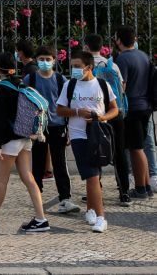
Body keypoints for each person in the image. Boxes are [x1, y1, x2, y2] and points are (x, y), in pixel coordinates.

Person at [0, 52, 49, 232]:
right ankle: (41, 218)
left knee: (1, 180)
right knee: (28, 178)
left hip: (9, 140)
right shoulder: (21, 84)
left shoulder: (1, 88)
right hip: (26, 137)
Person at [56, 49, 121, 233]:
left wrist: (101, 117)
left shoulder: (102, 85)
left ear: (89, 67)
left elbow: (114, 109)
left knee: (94, 175)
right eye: (72, 66)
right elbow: (59, 110)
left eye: (78, 67)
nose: (74, 70)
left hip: (99, 134)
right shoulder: (69, 85)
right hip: (78, 136)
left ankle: (92, 210)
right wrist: (77, 112)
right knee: (91, 175)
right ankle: (101, 217)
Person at [23, 46, 77, 213]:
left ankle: (65, 198)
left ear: (54, 60)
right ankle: (36, 195)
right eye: (41, 59)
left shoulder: (61, 80)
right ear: (36, 60)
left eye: (48, 59)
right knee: (37, 163)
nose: (45, 62)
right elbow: (24, 104)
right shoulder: (29, 79)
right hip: (38, 127)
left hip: (58, 126)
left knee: (59, 163)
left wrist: (68, 128)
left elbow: (68, 104)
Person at [84, 33, 131, 205]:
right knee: (119, 152)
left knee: (95, 151)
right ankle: (124, 192)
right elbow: (122, 86)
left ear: (87, 47)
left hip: (96, 115)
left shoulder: (85, 66)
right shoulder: (112, 64)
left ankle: (96, 189)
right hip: (115, 112)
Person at [113, 26, 154, 199]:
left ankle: (140, 187)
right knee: (141, 147)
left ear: (119, 40)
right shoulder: (143, 55)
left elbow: (122, 87)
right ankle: (145, 186)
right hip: (146, 106)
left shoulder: (122, 59)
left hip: (132, 108)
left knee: (135, 149)